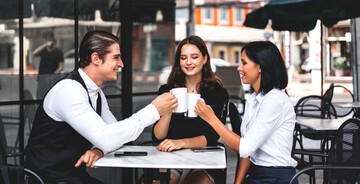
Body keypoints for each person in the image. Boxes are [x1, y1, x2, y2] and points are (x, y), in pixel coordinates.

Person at [25, 30, 178, 184]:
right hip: (46, 178)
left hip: (69, 176)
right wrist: (153, 110)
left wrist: (100, 149)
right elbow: (106, 137)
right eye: (116, 58)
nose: (121, 64)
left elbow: (115, 135)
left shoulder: (96, 93)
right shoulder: (69, 90)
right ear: (96, 58)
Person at [195, 41, 297, 184]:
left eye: (244, 63)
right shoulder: (255, 99)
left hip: (275, 177)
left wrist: (211, 119)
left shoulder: (275, 100)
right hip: (256, 175)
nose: (239, 68)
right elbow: (248, 153)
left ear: (260, 66)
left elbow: (244, 147)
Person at [152, 35, 229, 184]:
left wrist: (180, 142)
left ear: (205, 59)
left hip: (204, 159)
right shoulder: (167, 90)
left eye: (194, 57)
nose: (188, 62)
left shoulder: (217, 93)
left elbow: (212, 137)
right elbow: (158, 137)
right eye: (183, 58)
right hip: (171, 158)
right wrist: (167, 111)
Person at [33, 31, 64, 99]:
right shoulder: (43, 50)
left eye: (50, 39)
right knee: (40, 96)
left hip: (52, 79)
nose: (49, 41)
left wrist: (54, 75)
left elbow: (61, 66)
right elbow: (34, 53)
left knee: (51, 96)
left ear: (53, 40)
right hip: (42, 78)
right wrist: (45, 45)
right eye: (47, 40)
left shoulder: (58, 51)